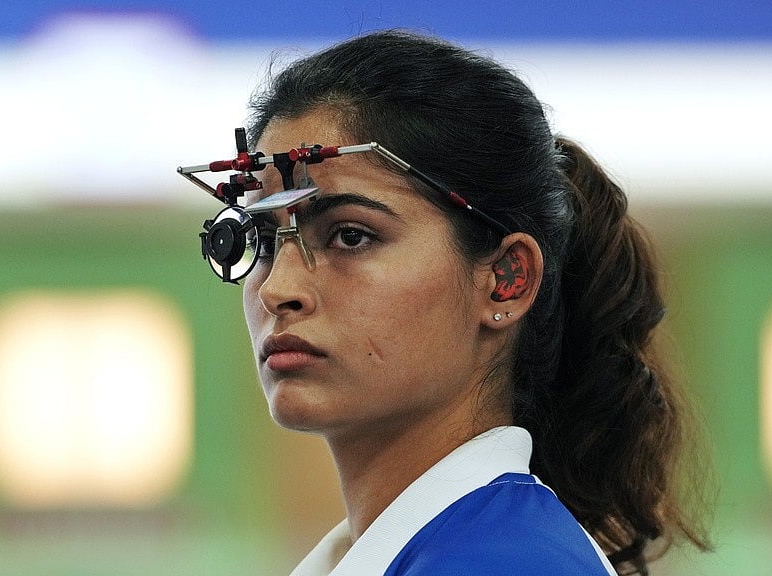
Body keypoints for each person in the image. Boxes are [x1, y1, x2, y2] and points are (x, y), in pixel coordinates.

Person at [223, 30, 709, 575]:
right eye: (262, 241)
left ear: (506, 280)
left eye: (351, 235)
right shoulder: (424, 551)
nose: (276, 288)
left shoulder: (505, 562)